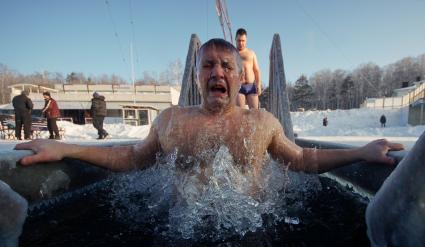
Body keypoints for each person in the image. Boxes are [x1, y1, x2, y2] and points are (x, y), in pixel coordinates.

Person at [15, 39, 403, 194]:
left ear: (239, 75)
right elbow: (132, 158)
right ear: (198, 75)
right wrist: (65, 147)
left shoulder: (262, 123)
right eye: (208, 66)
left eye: (226, 66)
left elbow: (303, 159)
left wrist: (362, 152)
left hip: (248, 231)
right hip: (181, 234)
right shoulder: (171, 121)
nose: (217, 72)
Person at [235, 28, 262, 109]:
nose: (241, 43)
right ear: (235, 39)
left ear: (246, 40)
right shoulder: (232, 53)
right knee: (240, 114)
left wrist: (258, 84)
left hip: (251, 86)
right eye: (239, 40)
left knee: (255, 113)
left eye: (243, 40)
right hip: (238, 87)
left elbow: (256, 70)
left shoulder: (251, 53)